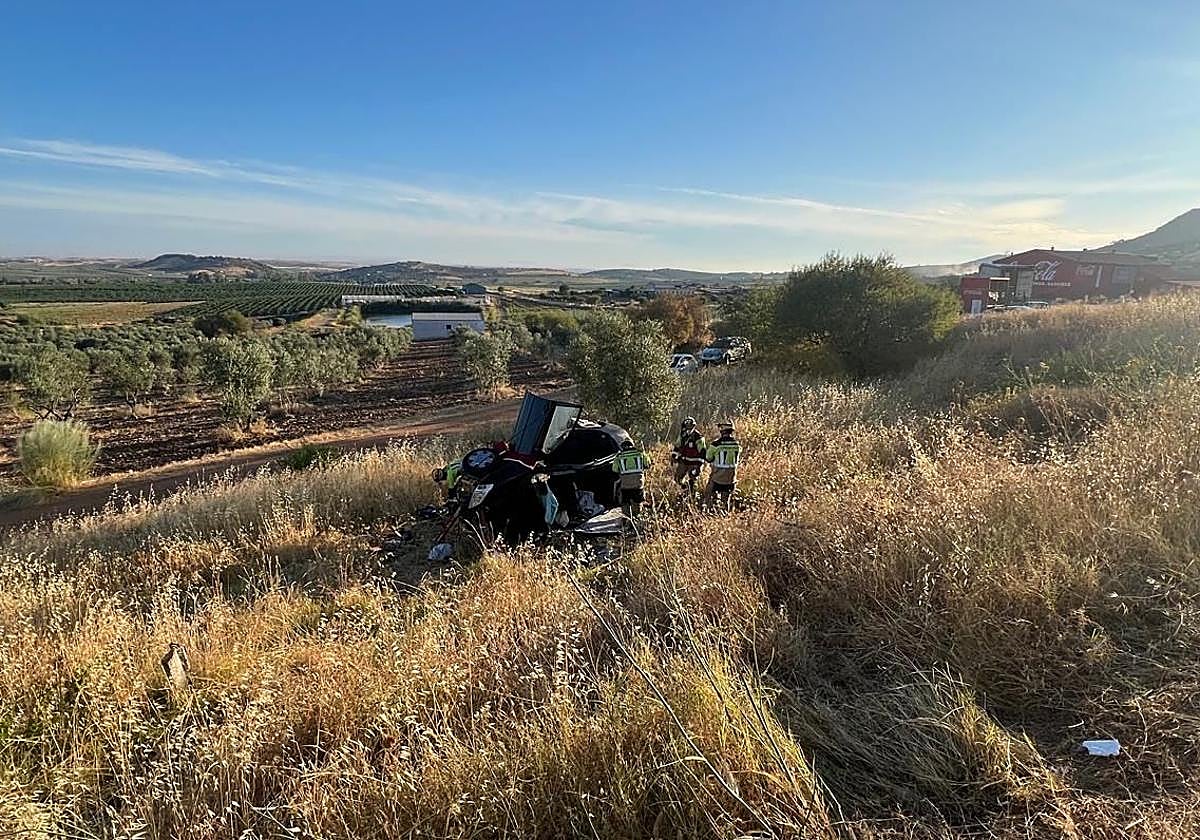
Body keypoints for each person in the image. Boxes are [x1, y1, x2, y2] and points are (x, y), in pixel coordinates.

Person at [704, 422, 741, 510]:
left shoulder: (716, 445)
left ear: (722, 431)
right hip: (731, 478)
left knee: (709, 494)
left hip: (717, 477)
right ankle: (725, 516)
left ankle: (710, 513)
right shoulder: (736, 445)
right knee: (726, 500)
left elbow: (708, 458)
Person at [612, 438, 651, 519]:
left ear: (623, 447)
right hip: (638, 484)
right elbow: (648, 465)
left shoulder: (619, 457)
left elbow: (614, 469)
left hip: (625, 485)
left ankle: (628, 519)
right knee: (638, 502)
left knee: (625, 503)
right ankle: (637, 518)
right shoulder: (640, 454)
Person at [671, 416, 707, 496]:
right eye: (686, 426)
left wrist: (699, 465)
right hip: (684, 461)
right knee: (677, 478)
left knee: (693, 480)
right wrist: (674, 457)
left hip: (695, 463)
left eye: (690, 426)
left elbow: (702, 452)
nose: (688, 428)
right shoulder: (683, 436)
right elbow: (677, 446)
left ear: (693, 426)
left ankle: (692, 496)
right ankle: (684, 489)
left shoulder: (698, 437)